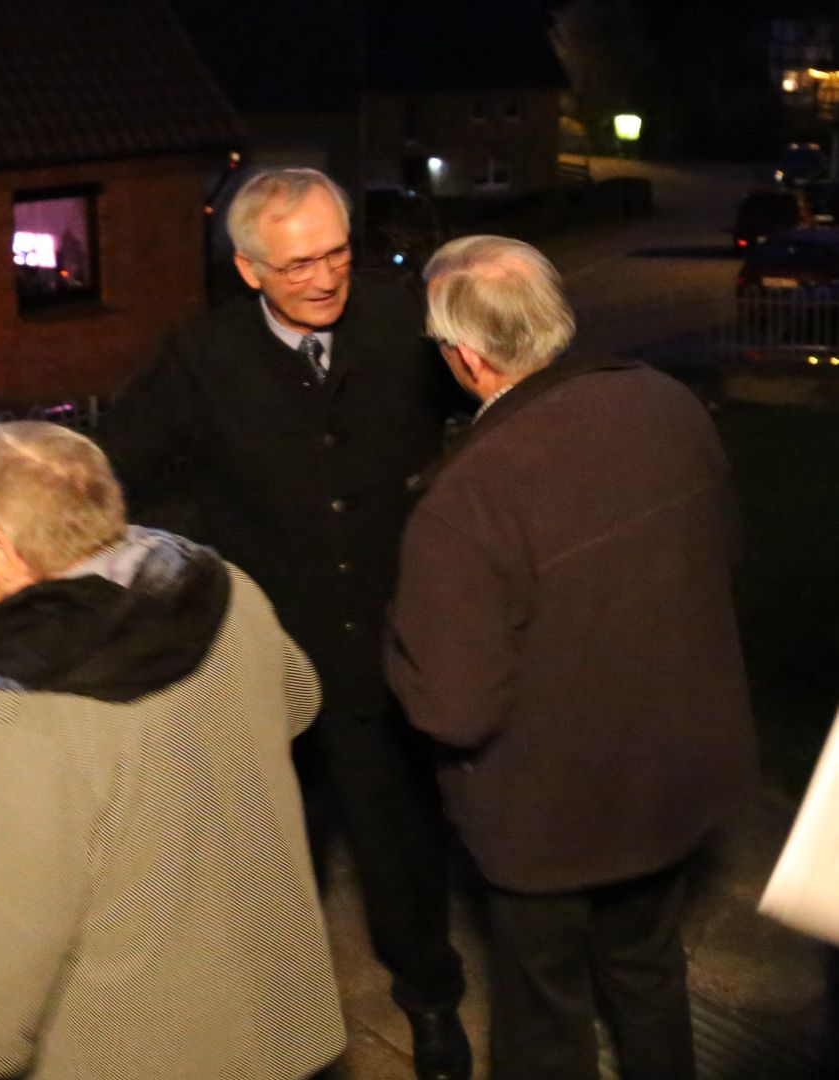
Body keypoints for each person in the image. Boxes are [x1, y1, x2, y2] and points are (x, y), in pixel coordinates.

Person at [102, 167, 469, 1079]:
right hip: (266, 664)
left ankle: (431, 1002)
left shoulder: (407, 321)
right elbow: (118, 470)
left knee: (401, 853)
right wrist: (204, 550)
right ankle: (278, 1023)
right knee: (270, 858)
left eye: (337, 252)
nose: (325, 277)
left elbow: (500, 410)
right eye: (299, 262)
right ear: (250, 269)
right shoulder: (201, 356)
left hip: (390, 651)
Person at [386, 236, 758, 1079]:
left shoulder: (468, 498)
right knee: (649, 975)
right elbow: (720, 562)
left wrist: (397, 637)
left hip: (546, 824)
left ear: (467, 358)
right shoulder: (669, 405)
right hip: (669, 783)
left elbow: (452, 706)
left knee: (546, 1021)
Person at [0, 421, 346, 1080]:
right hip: (277, 1012)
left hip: (138, 1046)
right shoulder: (226, 594)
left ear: (0, 546)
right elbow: (298, 700)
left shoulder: (24, 720)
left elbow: (15, 941)